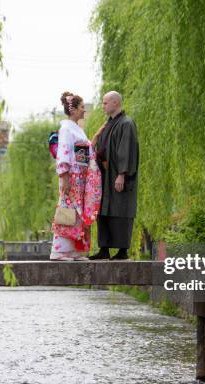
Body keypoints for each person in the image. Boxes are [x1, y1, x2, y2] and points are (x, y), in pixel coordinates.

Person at [50, 92, 102, 261]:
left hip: (80, 177)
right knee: (66, 210)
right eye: (81, 107)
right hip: (71, 176)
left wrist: (94, 139)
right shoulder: (66, 129)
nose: (84, 111)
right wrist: (64, 176)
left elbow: (83, 154)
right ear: (73, 110)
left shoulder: (76, 129)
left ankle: (75, 251)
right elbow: (63, 152)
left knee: (78, 213)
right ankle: (59, 251)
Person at [89, 91, 139, 260]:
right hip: (104, 176)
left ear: (115, 103)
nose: (103, 106)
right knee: (103, 212)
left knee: (121, 211)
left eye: (105, 103)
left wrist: (122, 174)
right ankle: (104, 248)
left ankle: (122, 251)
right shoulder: (108, 124)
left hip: (118, 177)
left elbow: (127, 150)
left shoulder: (126, 124)